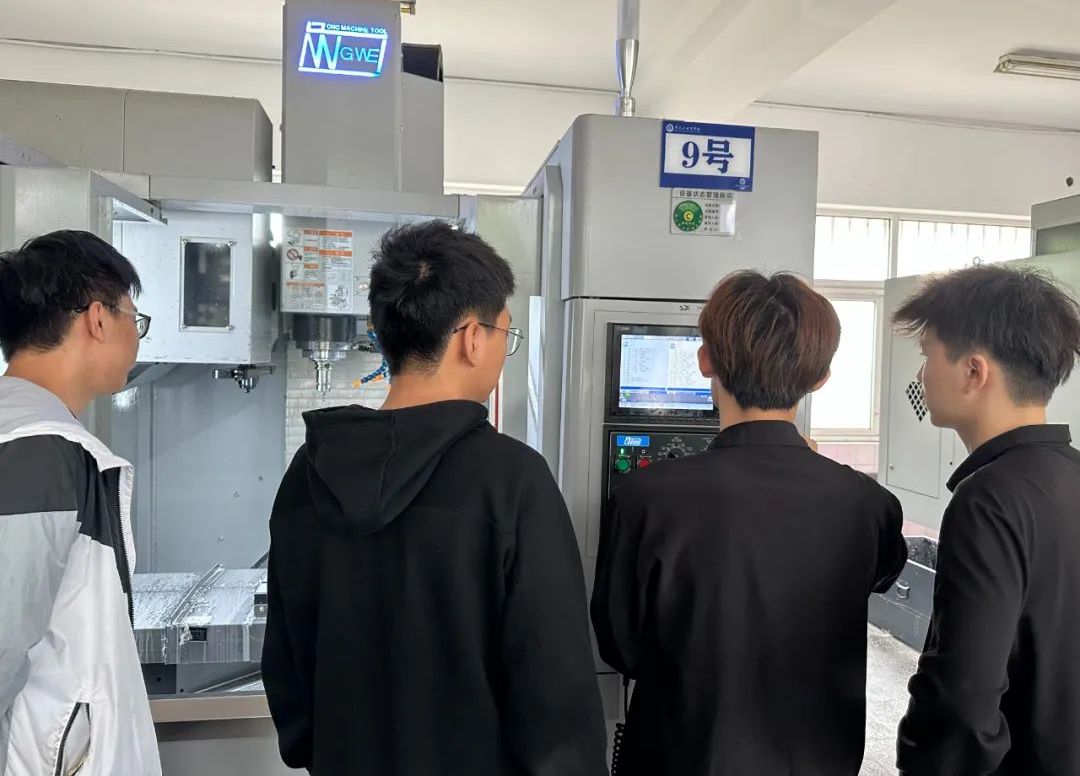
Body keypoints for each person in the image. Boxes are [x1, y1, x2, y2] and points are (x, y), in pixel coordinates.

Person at [262, 220, 607, 776]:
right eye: (506, 334)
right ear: (472, 338)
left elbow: (286, 662)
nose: (503, 350)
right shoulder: (512, 479)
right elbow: (555, 696)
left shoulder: (309, 470)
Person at [591, 270, 908, 776]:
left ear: (705, 360)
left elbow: (620, 645)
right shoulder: (870, 504)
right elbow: (873, 580)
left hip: (682, 756)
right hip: (817, 759)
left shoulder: (646, 498)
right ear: (820, 377)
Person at [895, 265, 1080, 776]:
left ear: (973, 372)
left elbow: (962, 699)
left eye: (928, 356)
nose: (921, 376)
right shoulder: (1070, 474)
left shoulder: (989, 500)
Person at [0, 230, 160, 775]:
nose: (136, 337)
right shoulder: (36, 450)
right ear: (98, 319)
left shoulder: (31, 438)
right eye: (134, 319)